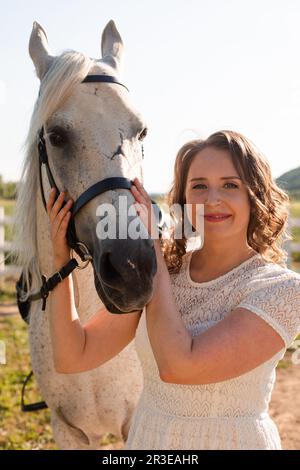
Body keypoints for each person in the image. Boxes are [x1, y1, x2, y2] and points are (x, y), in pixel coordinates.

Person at [47, 130, 300, 450]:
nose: (212, 199)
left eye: (230, 185)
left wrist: (153, 249)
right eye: (199, 186)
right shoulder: (164, 273)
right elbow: (74, 356)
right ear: (182, 199)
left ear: (256, 196)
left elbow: (178, 366)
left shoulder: (282, 291)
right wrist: (60, 261)